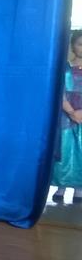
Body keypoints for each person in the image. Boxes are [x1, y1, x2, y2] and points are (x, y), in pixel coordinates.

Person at [51, 31, 82, 204]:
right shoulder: (64, 68)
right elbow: (59, 92)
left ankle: (79, 188)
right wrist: (71, 112)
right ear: (72, 46)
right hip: (65, 115)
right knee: (65, 149)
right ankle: (61, 185)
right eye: (80, 44)